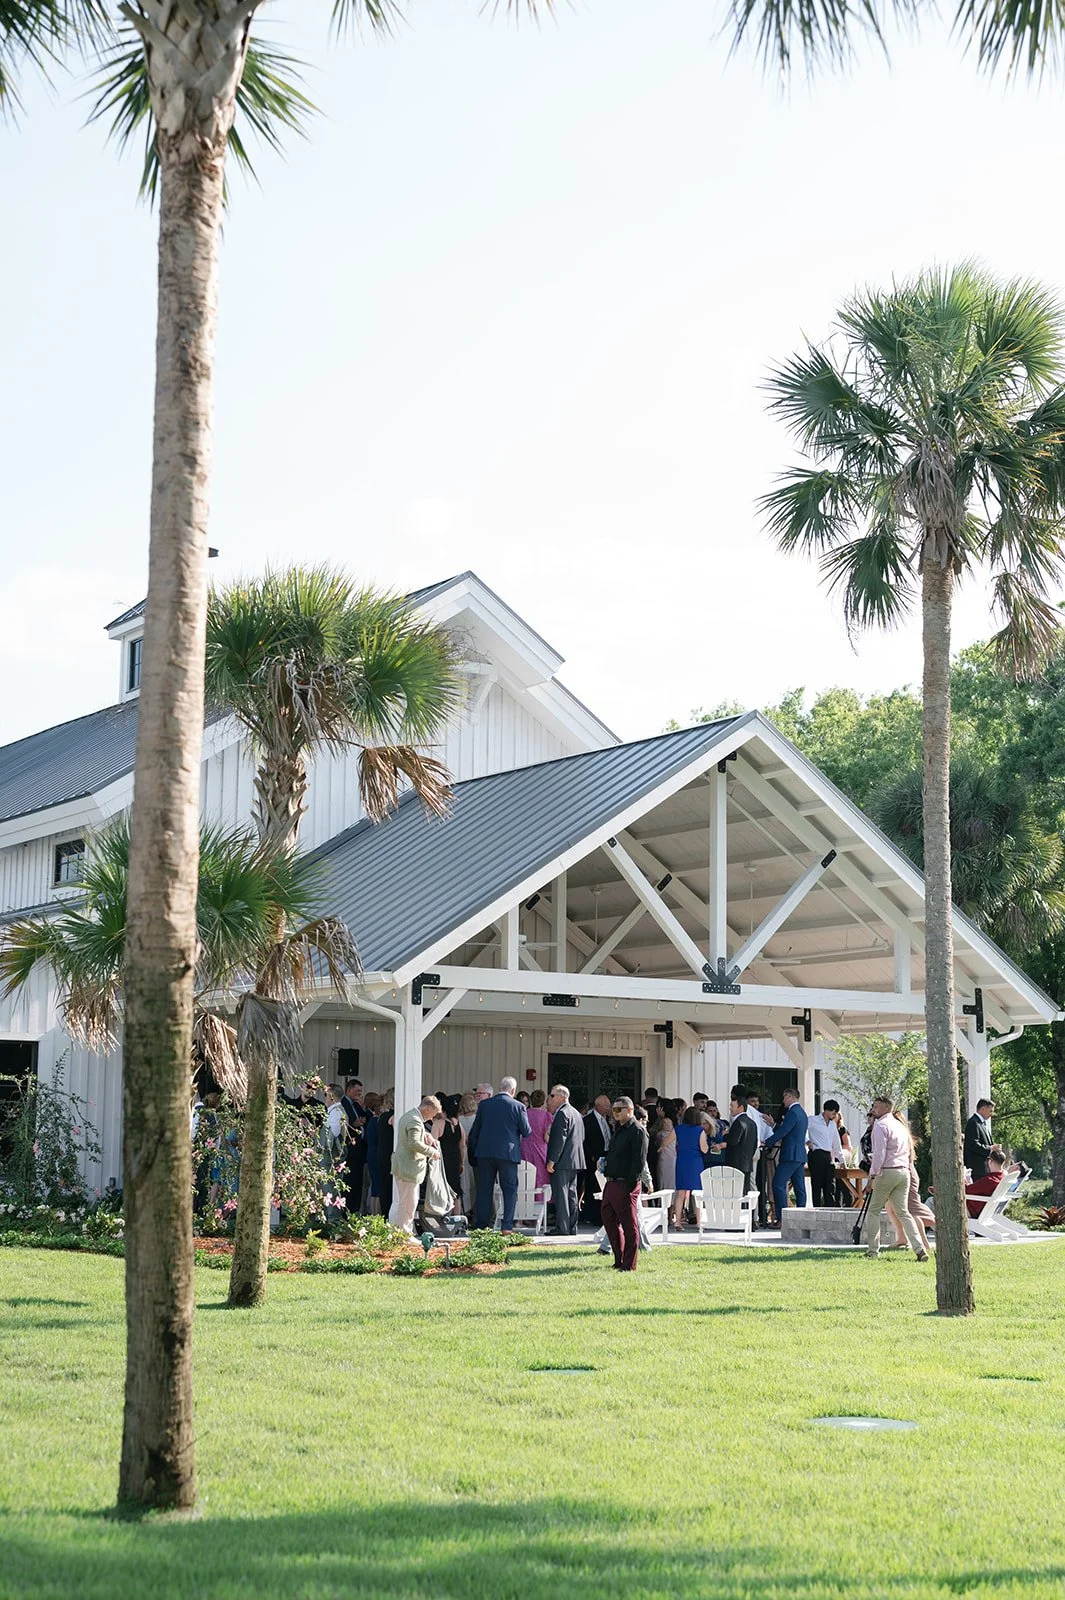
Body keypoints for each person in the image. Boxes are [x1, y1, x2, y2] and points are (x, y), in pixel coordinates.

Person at [863, 1095, 929, 1260]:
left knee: (873, 1211)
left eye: (876, 1107)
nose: (873, 1110)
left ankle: (872, 1251)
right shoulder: (900, 1126)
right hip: (903, 1171)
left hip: (887, 1171)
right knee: (904, 1212)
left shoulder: (880, 1125)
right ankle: (920, 1249)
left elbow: (879, 1154)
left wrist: (872, 1177)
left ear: (886, 1108)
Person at [467, 1076, 531, 1232]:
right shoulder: (518, 1106)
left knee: (484, 1189)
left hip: (485, 1152)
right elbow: (526, 1131)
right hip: (507, 1153)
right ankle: (507, 1226)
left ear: (500, 1088)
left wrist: (474, 1151)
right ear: (513, 1090)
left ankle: (482, 1225)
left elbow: (475, 1130)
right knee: (509, 1190)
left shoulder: (485, 1105)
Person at [600, 1096, 649, 1271]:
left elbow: (639, 1161)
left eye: (618, 1110)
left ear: (629, 1110)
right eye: (613, 1110)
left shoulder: (638, 1130)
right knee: (609, 1220)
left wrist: (629, 1186)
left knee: (630, 1225)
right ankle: (619, 1259)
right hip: (611, 1182)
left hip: (626, 1184)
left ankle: (629, 1264)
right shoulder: (619, 1129)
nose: (615, 1113)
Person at [388, 1095, 441, 1235]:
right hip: (408, 1168)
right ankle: (404, 1233)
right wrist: (431, 1152)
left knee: (407, 1202)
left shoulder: (410, 1116)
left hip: (404, 1166)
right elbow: (414, 1143)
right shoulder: (415, 1120)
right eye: (433, 1114)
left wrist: (427, 1136)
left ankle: (403, 1232)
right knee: (408, 1203)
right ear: (427, 1109)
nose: (431, 1118)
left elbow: (413, 1136)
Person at [545, 1083, 585, 1235]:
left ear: (562, 1097)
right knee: (571, 1194)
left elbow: (558, 1139)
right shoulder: (575, 1113)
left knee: (561, 1195)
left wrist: (552, 1161)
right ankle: (571, 1227)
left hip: (562, 1161)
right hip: (575, 1160)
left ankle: (562, 1228)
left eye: (553, 1095)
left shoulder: (562, 1113)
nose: (550, 1098)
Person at [763, 1088, 809, 1220]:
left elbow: (784, 1132)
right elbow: (788, 1130)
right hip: (799, 1155)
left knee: (778, 1184)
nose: (783, 1101)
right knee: (799, 1187)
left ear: (790, 1096)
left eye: (784, 1097)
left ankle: (782, 1218)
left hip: (790, 1154)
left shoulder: (792, 1113)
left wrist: (767, 1142)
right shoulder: (802, 1113)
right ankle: (802, 1216)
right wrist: (773, 1125)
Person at [670, 1107, 708, 1230]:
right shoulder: (699, 1130)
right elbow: (704, 1149)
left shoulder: (678, 1129)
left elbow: (667, 1141)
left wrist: (661, 1147)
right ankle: (699, 1222)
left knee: (681, 1192)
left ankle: (677, 1222)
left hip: (681, 1161)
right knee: (697, 1193)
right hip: (695, 1162)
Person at [581, 1095, 613, 1225]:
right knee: (592, 1186)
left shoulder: (607, 1120)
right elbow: (584, 1140)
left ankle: (603, 1214)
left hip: (606, 1155)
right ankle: (592, 1215)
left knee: (604, 1186)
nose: (608, 1109)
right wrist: (592, 1156)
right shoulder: (588, 1120)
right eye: (607, 1106)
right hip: (594, 1157)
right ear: (598, 1106)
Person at [717, 1092, 758, 1194]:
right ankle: (747, 1210)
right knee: (745, 1192)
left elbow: (733, 1141)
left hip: (735, 1164)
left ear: (740, 1107)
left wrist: (725, 1134)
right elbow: (754, 1144)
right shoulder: (752, 1123)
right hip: (747, 1163)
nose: (730, 1108)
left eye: (732, 1106)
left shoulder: (739, 1122)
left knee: (735, 1193)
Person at [806, 1098, 844, 1207]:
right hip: (816, 1153)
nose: (834, 1115)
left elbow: (836, 1143)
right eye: (833, 1112)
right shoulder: (812, 1120)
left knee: (830, 1185)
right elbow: (802, 1130)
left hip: (828, 1155)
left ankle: (830, 1208)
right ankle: (817, 1208)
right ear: (827, 1110)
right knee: (817, 1184)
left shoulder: (832, 1125)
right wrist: (807, 1142)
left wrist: (841, 1160)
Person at [521, 1089, 553, 1189]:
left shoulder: (524, 1113)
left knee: (525, 1174)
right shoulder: (547, 1116)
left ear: (531, 1101)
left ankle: (525, 1199)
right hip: (541, 1147)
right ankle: (540, 1199)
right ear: (543, 1102)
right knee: (540, 1175)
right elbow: (546, 1136)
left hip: (525, 1146)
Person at [436, 1094, 465, 1202]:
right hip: (455, 1158)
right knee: (455, 1190)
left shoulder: (438, 1124)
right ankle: (456, 1217)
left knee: (442, 1187)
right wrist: (462, 1162)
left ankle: (443, 1216)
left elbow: (433, 1144)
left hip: (442, 1159)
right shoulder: (459, 1125)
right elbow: (462, 1146)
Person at [457, 1091, 479, 1216]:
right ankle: (475, 1209)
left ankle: (465, 1209)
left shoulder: (459, 1119)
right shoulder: (476, 1118)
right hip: (473, 1152)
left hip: (462, 1152)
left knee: (464, 1182)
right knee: (474, 1183)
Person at [964, 1098, 996, 1179]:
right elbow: (973, 1144)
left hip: (983, 1169)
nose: (992, 1114)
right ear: (982, 1109)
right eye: (990, 1111)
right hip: (976, 1169)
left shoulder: (981, 1123)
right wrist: (990, 1148)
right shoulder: (973, 1122)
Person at [653, 1111, 677, 1195]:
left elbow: (656, 1139)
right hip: (673, 1157)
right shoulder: (675, 1132)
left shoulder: (661, 1134)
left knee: (663, 1180)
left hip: (664, 1157)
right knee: (671, 1180)